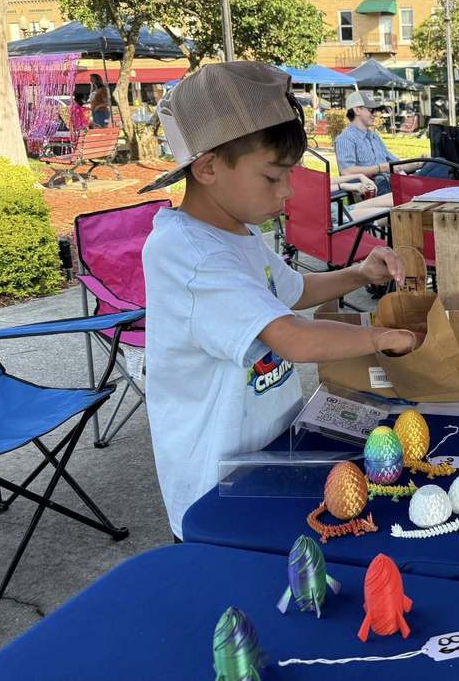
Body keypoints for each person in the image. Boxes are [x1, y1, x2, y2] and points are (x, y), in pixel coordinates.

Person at [139, 63, 422, 540]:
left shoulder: (238, 231)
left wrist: (358, 272)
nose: (288, 191)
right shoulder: (190, 254)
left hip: (266, 457)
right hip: (216, 488)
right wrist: (380, 336)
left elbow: (290, 292)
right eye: (273, 177)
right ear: (207, 167)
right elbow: (291, 337)